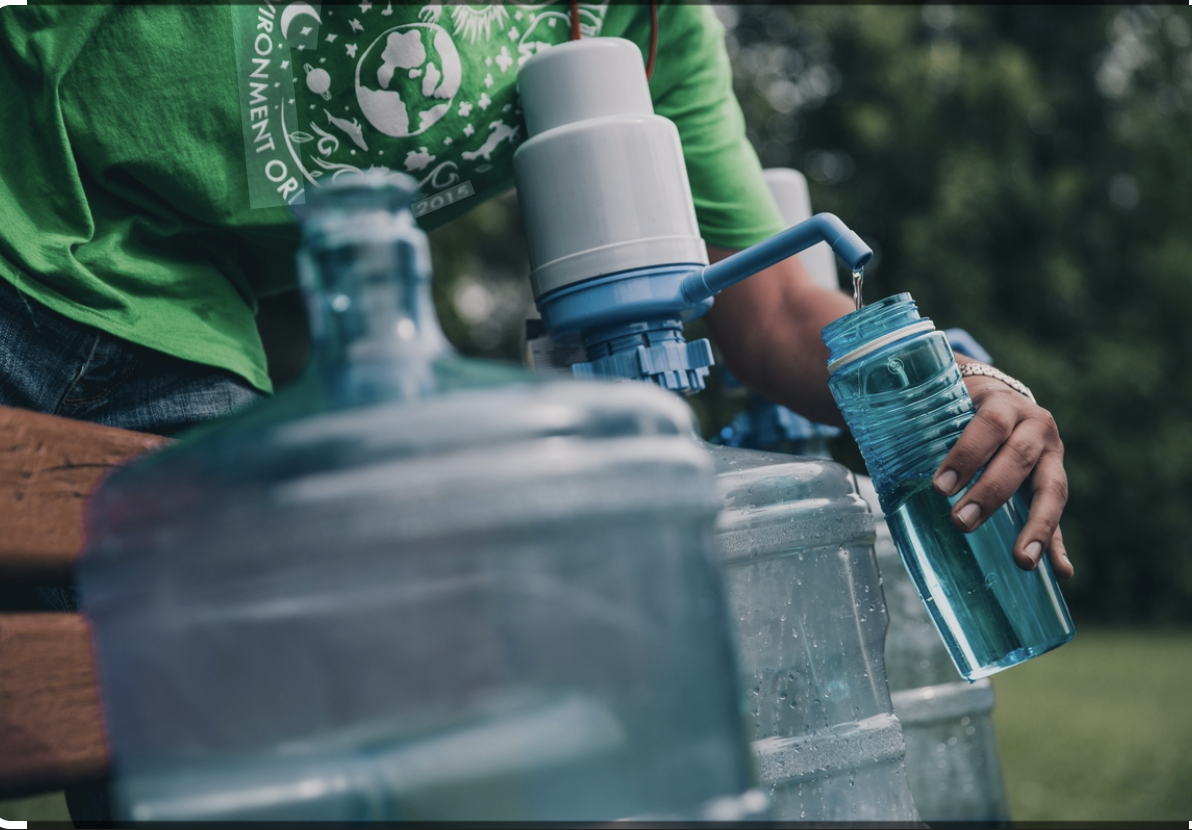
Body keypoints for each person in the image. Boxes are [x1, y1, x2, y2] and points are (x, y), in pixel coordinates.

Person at [0, 0, 1071, 817]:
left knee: (242, 769)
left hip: (172, 330)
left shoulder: (649, 26)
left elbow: (775, 302)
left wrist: (956, 382)